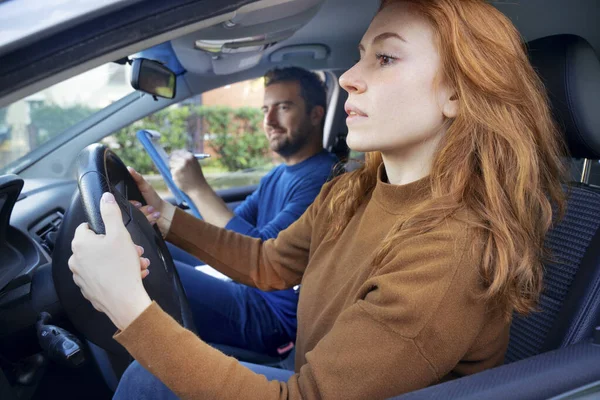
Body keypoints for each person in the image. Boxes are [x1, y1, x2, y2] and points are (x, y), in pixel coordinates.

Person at [68, 0, 568, 398]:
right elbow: (269, 263)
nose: (350, 75)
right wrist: (166, 217)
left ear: (457, 92)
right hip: (302, 371)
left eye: (385, 57)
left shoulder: (449, 251)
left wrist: (128, 306)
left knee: (144, 380)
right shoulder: (355, 189)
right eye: (361, 53)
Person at [158, 67, 338, 358]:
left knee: (145, 268)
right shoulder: (278, 175)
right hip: (249, 285)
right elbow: (225, 230)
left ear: (316, 115)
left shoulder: (323, 179)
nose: (269, 121)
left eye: (284, 107)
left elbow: (261, 253)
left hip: (274, 316)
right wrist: (160, 212)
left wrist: (198, 188)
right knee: (154, 246)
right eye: (266, 109)